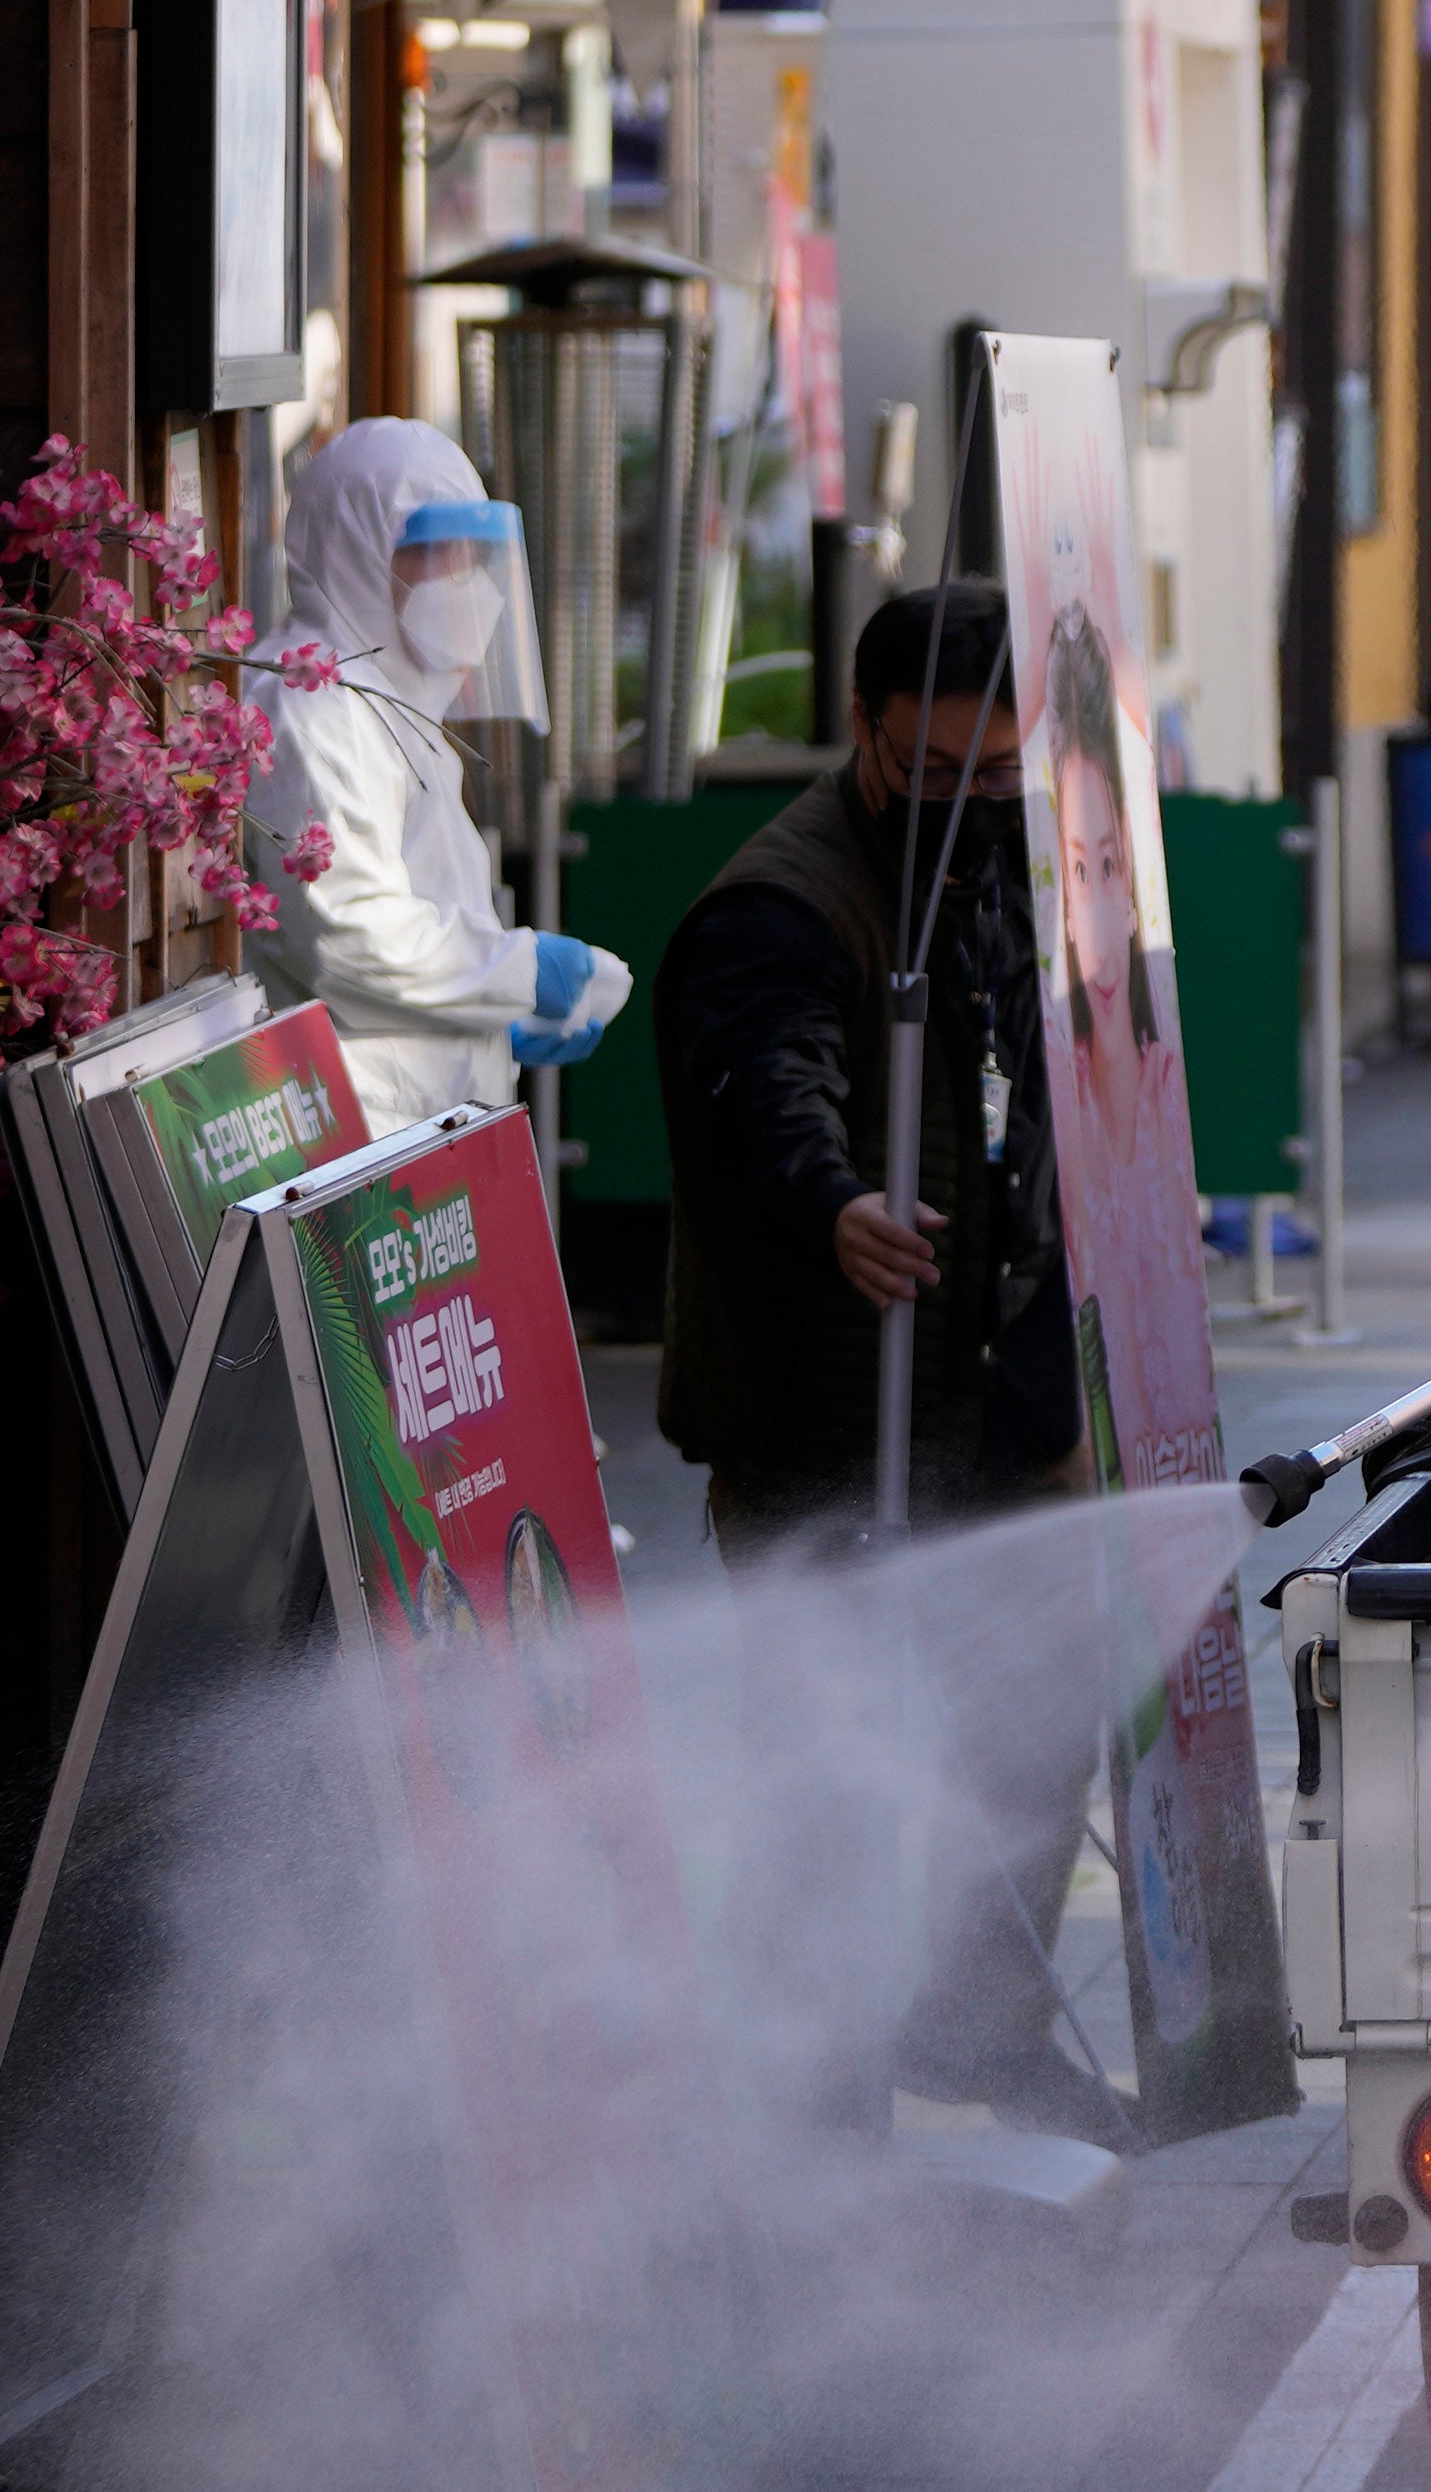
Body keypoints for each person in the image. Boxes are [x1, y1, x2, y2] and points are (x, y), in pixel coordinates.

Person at [651, 580, 1112, 2137]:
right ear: (862, 730)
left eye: (999, 778)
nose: (972, 807)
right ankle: (811, 2111)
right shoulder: (779, 905)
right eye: (933, 773)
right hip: (826, 1418)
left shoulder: (1007, 856)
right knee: (826, 1780)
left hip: (1001, 1396)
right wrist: (833, 1204)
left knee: (1044, 1725)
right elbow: (754, 1087)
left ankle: (975, 2031)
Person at [248, 417, 621, 1129]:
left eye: (474, 555)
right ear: (356, 550)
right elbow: (346, 938)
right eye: (436, 553)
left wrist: (490, 1023)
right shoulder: (311, 707)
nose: (468, 581)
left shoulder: (394, 705)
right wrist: (518, 974)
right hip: (354, 1139)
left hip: (420, 1138)